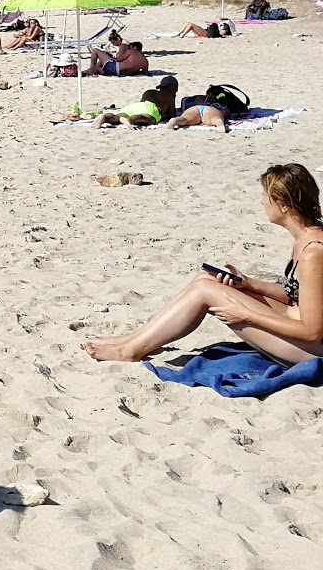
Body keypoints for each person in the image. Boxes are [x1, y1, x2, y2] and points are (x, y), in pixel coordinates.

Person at [82, 163, 323, 365]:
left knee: (207, 291)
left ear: (283, 204)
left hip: (310, 351)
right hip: (294, 321)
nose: (262, 202)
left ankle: (130, 350)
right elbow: (298, 293)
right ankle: (132, 340)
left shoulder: (314, 252)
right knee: (205, 280)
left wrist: (247, 315)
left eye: (265, 196)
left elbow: (312, 332)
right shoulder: (306, 238)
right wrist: (248, 284)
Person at [92, 76, 177, 128]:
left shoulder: (149, 92)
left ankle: (104, 117)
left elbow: (142, 104)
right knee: (146, 117)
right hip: (150, 108)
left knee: (117, 117)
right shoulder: (170, 96)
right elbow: (172, 114)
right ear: (173, 87)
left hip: (134, 106)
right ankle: (129, 120)